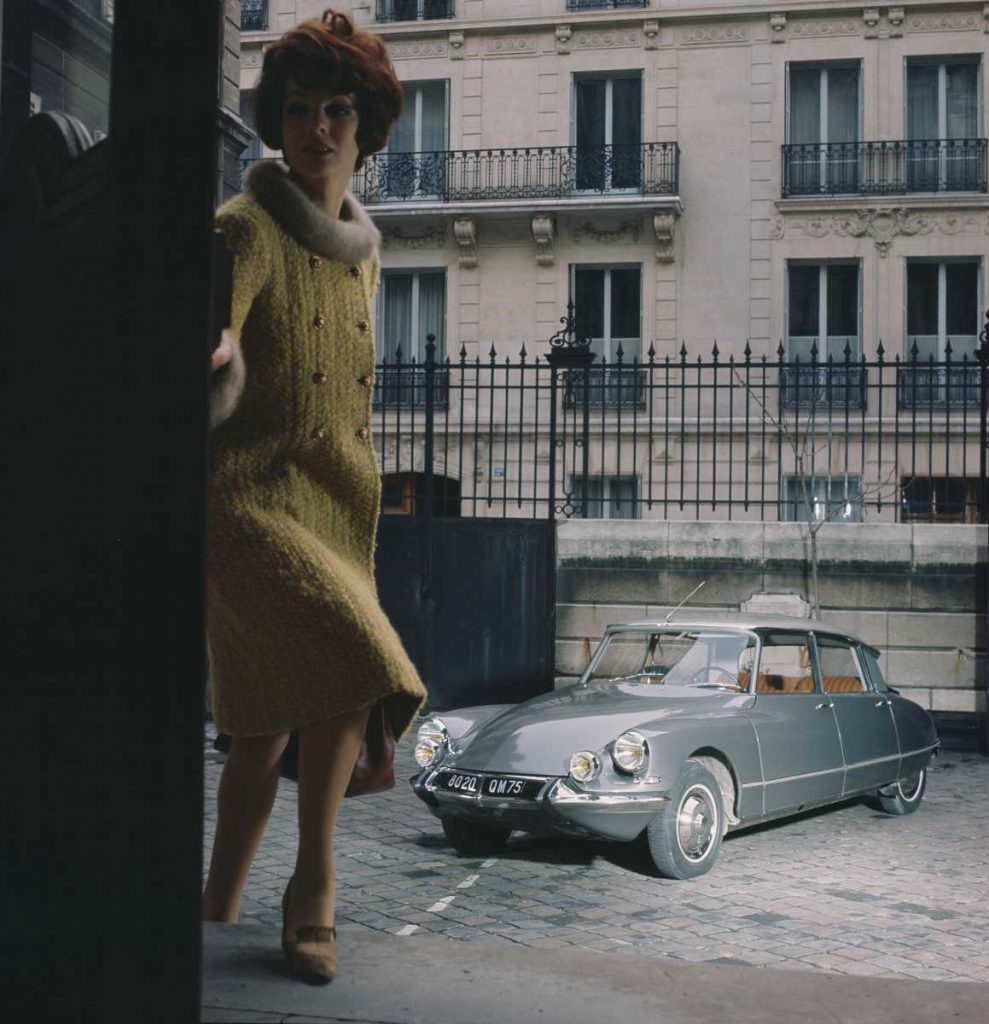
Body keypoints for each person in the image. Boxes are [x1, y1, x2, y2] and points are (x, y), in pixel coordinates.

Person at [202, 9, 426, 983]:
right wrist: (213, 354)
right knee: (352, 654)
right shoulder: (243, 226)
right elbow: (217, 332)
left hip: (334, 497)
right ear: (277, 120)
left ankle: (214, 906)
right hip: (247, 499)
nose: (317, 128)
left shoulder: (364, 250)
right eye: (298, 109)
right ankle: (315, 887)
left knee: (260, 736)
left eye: (336, 110)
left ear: (365, 127)